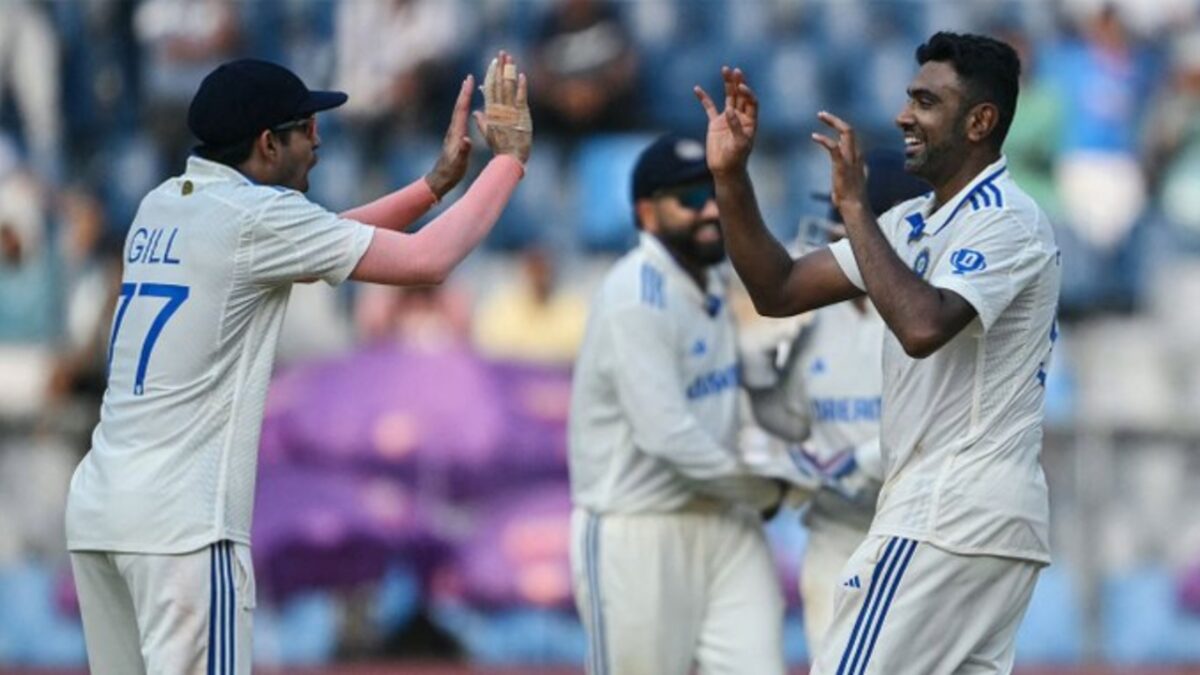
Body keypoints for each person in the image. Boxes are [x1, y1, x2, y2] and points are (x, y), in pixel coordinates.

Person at [64, 52, 532, 674]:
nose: (318, 139)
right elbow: (427, 262)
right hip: (182, 528)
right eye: (305, 127)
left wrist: (433, 187)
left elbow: (318, 242)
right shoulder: (255, 219)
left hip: (102, 512)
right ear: (266, 143)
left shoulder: (162, 204)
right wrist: (509, 162)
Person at [695, 31, 1061, 674]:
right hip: (973, 522)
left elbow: (922, 328)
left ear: (980, 121)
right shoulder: (913, 222)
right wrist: (731, 179)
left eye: (926, 100)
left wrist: (856, 207)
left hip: (947, 515)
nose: (902, 115)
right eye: (907, 97)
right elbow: (776, 290)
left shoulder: (1008, 219)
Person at [568, 133, 819, 675]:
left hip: (727, 522)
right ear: (646, 214)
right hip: (640, 527)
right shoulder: (636, 294)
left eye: (712, 192)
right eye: (687, 198)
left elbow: (738, 383)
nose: (709, 209)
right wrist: (768, 488)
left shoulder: (710, 279)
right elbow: (667, 437)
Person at [743, 149, 929, 658]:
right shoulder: (808, 320)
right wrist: (759, 375)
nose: (833, 234)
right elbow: (791, 422)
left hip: (917, 534)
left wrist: (856, 462)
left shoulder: (929, 312)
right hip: (835, 534)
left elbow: (940, 429)